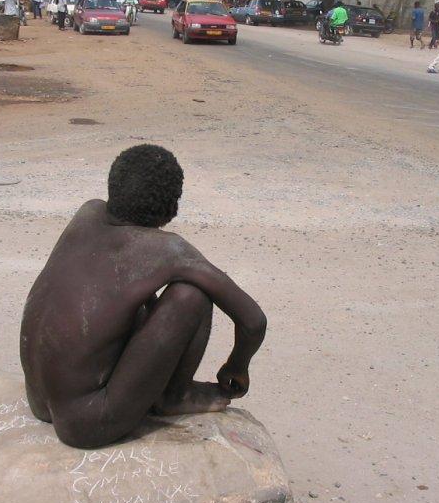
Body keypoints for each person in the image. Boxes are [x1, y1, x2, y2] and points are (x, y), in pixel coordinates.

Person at [20, 144, 267, 449]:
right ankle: (174, 396)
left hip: (39, 401)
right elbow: (253, 321)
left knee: (135, 299)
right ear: (172, 208)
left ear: (114, 185)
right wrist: (236, 367)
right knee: (191, 295)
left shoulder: (88, 213)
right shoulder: (170, 252)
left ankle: (156, 391)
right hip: (88, 424)